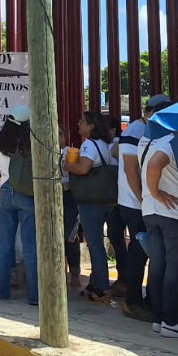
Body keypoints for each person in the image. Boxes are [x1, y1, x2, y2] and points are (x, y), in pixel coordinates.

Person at [139, 116, 178, 339]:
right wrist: (157, 192)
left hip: (151, 211)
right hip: (173, 212)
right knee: (174, 268)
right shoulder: (171, 144)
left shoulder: (148, 144)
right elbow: (155, 165)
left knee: (158, 266)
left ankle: (159, 318)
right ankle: (171, 321)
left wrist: (152, 195)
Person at [117, 94, 170, 322]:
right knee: (139, 253)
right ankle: (133, 301)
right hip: (135, 203)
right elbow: (130, 170)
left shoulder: (144, 131)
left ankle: (148, 299)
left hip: (143, 202)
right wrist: (142, 199)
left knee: (149, 252)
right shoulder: (134, 131)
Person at [65, 111, 122, 301]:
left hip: (91, 200)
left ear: (91, 126)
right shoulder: (107, 144)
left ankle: (102, 287)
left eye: (82, 122)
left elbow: (83, 168)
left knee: (95, 244)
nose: (79, 124)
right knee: (99, 243)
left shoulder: (89, 144)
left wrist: (67, 165)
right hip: (107, 197)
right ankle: (96, 282)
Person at [0, 105, 38, 305]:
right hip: (27, 193)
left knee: (5, 245)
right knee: (30, 246)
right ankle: (35, 295)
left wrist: (2, 181)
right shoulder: (30, 140)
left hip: (6, 191)